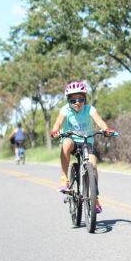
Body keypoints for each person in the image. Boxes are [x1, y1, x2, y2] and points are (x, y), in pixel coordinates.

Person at [50, 81, 115, 213]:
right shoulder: (65, 110)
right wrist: (55, 130)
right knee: (66, 142)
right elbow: (58, 122)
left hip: (87, 141)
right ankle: (64, 178)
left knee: (93, 165)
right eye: (73, 100)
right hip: (72, 141)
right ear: (68, 100)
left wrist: (106, 129)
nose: (77, 103)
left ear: (84, 99)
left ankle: (95, 198)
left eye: (80, 99)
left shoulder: (90, 109)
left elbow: (99, 121)